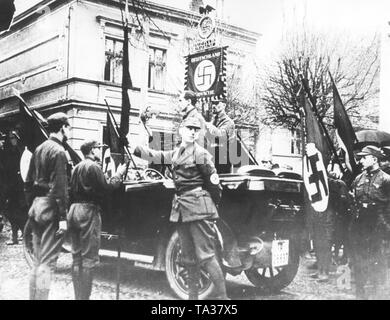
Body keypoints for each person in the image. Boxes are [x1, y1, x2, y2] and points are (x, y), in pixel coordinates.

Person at [133, 116, 228, 300]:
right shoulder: (176, 153)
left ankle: (224, 299)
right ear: (181, 131)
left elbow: (214, 183)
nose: (193, 132)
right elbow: (153, 155)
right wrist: (137, 139)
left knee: (207, 257)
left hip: (198, 210)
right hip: (182, 211)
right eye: (189, 129)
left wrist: (208, 205)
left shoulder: (200, 154)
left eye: (196, 129)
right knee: (188, 259)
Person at [67, 139, 127, 300]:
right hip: (88, 212)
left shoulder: (77, 167)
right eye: (98, 148)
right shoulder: (93, 167)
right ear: (92, 150)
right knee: (88, 259)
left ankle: (78, 296)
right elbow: (107, 189)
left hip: (74, 211)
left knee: (77, 257)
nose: (100, 151)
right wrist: (118, 174)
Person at [24, 112, 71, 300]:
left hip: (36, 207)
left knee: (37, 262)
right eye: (68, 127)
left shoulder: (39, 149)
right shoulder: (59, 152)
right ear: (62, 128)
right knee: (47, 263)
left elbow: (27, 182)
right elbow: (60, 188)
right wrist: (62, 218)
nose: (69, 131)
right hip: (50, 208)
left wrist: (32, 206)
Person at [349, 145, 390, 299]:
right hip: (360, 222)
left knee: (376, 259)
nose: (361, 161)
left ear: (374, 159)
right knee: (358, 258)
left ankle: (376, 293)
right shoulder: (358, 179)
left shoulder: (386, 179)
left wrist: (387, 226)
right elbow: (353, 199)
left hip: (378, 223)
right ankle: (360, 293)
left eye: (364, 157)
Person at [3, 130, 28, 245]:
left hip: (21, 187)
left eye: (14, 137)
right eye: (11, 138)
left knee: (22, 212)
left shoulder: (23, 151)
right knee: (12, 212)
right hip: (11, 187)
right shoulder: (7, 153)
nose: (12, 140)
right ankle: (14, 237)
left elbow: (26, 167)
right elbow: (5, 170)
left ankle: (24, 234)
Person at [204, 99, 235, 174]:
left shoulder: (228, 122)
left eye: (217, 103)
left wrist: (209, 126)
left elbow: (221, 135)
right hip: (212, 156)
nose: (214, 106)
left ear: (224, 105)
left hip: (223, 158)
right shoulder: (214, 120)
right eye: (213, 103)